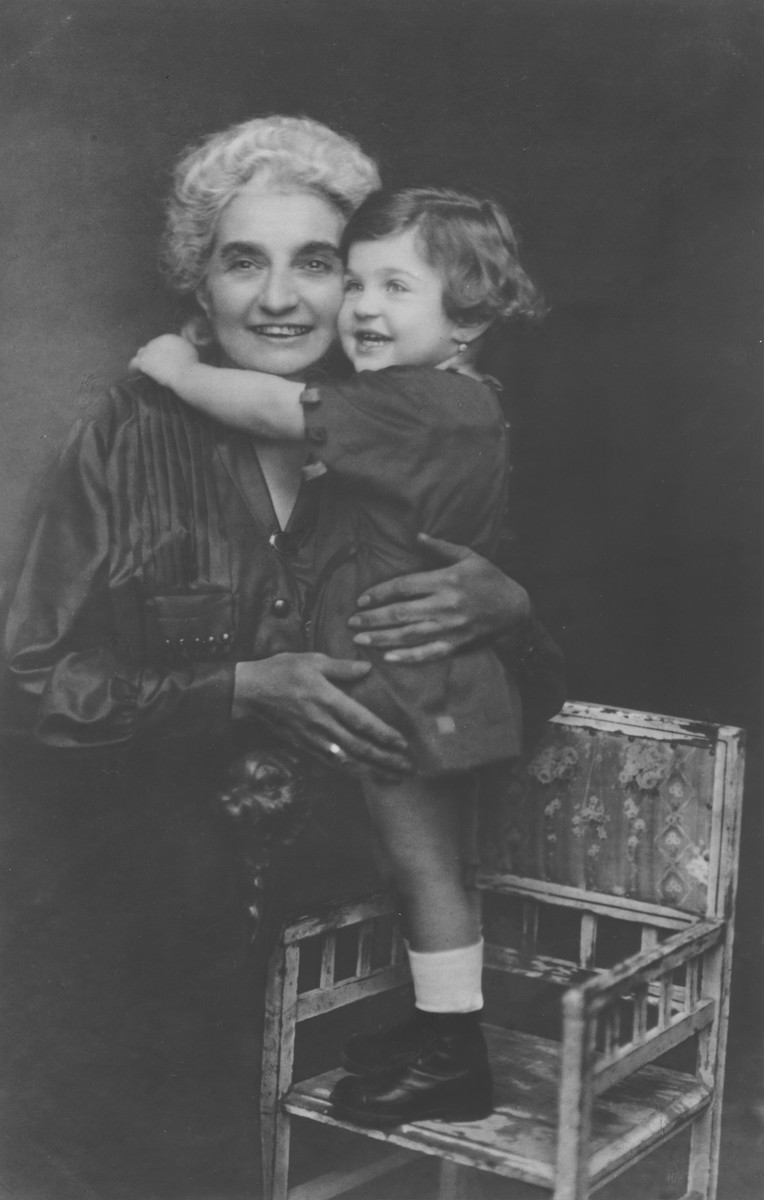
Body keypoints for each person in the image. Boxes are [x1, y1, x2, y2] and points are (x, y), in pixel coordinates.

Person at [1, 116, 563, 1173]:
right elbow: (27, 682)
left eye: (317, 264)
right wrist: (237, 686)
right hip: (163, 949)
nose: (279, 299)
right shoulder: (127, 434)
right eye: (240, 262)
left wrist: (512, 613)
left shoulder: (419, 428)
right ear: (197, 283)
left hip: (366, 960)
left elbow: (522, 696)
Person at [129, 184, 555, 1127]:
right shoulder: (453, 404)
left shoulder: (412, 404)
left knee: (426, 870)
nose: (362, 308)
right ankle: (441, 1029)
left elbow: (276, 409)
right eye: (355, 283)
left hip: (404, 688)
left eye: (396, 287)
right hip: (420, 680)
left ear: (467, 319)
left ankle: (454, 1056)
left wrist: (175, 371)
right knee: (427, 867)